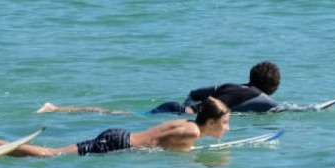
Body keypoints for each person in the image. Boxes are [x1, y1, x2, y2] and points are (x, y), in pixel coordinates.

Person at [0, 96, 231, 157]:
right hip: (119, 144)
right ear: (209, 122)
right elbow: (154, 142)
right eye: (225, 123)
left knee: (53, 154)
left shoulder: (190, 125)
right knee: (52, 155)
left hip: (119, 137)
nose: (227, 128)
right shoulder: (193, 131)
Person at [39, 61, 283, 115]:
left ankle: (59, 108)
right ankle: (57, 108)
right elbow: (283, 109)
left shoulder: (232, 85)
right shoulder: (260, 97)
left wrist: (188, 109)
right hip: (179, 113)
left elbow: (195, 92)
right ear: (272, 86)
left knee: (118, 113)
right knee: (118, 114)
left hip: (176, 108)